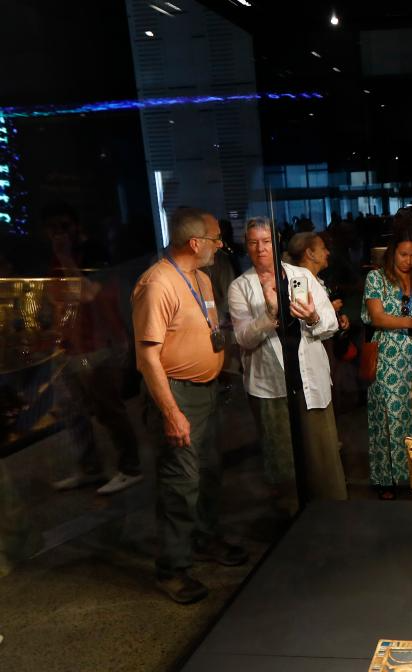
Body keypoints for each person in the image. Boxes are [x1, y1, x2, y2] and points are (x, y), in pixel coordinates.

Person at [132, 207, 248, 604]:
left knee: (209, 472)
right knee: (180, 482)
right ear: (195, 243)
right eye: (216, 239)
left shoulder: (202, 278)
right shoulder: (157, 284)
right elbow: (148, 358)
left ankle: (204, 538)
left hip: (206, 391)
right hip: (176, 394)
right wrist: (171, 412)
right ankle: (173, 569)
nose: (221, 245)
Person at [228, 220, 348, 512]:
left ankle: (331, 515)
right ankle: (293, 518)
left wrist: (312, 317)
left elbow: (330, 324)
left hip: (309, 381)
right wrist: (269, 316)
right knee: (284, 461)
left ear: (277, 241)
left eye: (266, 241)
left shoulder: (301, 276)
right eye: (253, 242)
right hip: (270, 385)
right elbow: (243, 338)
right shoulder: (240, 286)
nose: (260, 249)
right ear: (247, 246)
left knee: (321, 455)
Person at [43, 204, 143, 495]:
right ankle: (90, 468)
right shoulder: (56, 259)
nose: (59, 233)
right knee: (74, 412)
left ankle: (130, 467)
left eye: (64, 226)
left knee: (108, 409)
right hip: (72, 348)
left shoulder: (92, 252)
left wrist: (65, 257)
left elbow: (90, 295)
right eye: (52, 228)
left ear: (77, 226)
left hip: (99, 347)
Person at [361, 227, 412, 498]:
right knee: (388, 415)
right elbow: (377, 317)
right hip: (388, 355)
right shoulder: (376, 278)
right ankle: (386, 479)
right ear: (392, 253)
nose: (408, 260)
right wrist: (408, 321)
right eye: (403, 254)